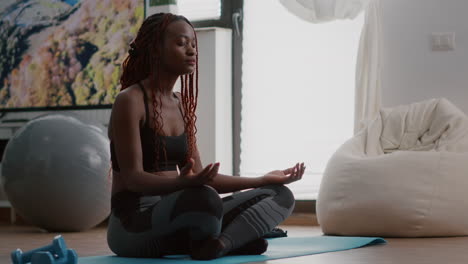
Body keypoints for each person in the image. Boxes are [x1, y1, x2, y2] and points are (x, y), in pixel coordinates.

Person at [106, 13, 306, 260]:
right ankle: (235, 238)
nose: (191, 51)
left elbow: (203, 178)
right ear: (155, 50)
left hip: (183, 216)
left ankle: (221, 244)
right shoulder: (130, 100)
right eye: (181, 43)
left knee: (280, 195)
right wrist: (183, 184)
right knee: (204, 200)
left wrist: (261, 179)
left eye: (193, 44)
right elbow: (134, 179)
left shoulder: (181, 105)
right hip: (133, 225)